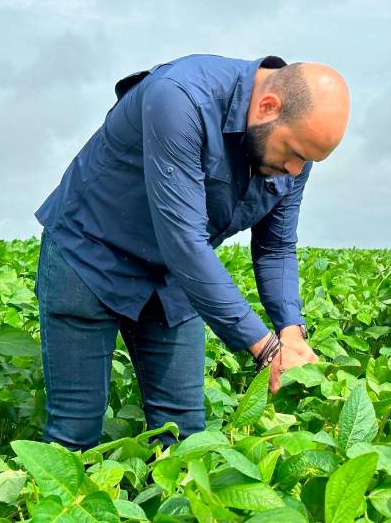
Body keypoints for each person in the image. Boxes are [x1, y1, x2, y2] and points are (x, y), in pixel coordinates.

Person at [32, 53, 351, 451]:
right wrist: (267, 348)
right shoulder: (180, 98)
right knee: (75, 435)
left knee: (183, 438)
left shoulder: (294, 151)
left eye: (307, 162)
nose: (294, 171)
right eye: (295, 154)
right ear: (268, 108)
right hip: (90, 259)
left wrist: (291, 329)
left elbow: (275, 246)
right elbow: (183, 240)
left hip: (171, 281)